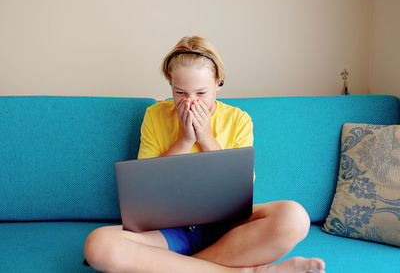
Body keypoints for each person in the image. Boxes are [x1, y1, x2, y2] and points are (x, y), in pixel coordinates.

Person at [84, 36, 325, 273]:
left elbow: (241, 188)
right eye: (180, 93)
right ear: (170, 82)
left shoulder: (239, 120)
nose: (190, 103)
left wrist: (206, 137)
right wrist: (184, 140)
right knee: (98, 245)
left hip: (227, 230)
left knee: (295, 217)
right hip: (167, 230)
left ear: (218, 82)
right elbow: (143, 189)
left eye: (201, 93)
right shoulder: (155, 116)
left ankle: (174, 267)